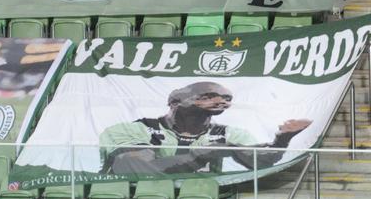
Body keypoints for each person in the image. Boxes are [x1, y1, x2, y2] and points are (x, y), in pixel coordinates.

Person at [99, 81, 313, 175]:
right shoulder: (133, 129)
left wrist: (281, 141)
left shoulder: (230, 134)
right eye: (207, 96)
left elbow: (260, 161)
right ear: (175, 102)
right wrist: (203, 154)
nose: (220, 101)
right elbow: (136, 168)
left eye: (226, 98)